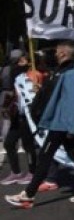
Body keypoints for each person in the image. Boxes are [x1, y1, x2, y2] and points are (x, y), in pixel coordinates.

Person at [6, 41, 74, 209]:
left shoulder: (71, 72)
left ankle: (28, 195)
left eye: (57, 51)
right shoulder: (65, 70)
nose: (54, 54)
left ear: (63, 53)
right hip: (61, 121)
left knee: (45, 157)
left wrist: (71, 127)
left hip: (62, 123)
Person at [1, 50, 36, 185]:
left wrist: (5, 106)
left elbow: (11, 92)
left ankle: (32, 173)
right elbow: (11, 92)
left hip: (27, 113)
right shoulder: (13, 71)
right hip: (17, 113)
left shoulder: (30, 72)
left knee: (28, 145)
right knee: (9, 143)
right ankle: (16, 173)